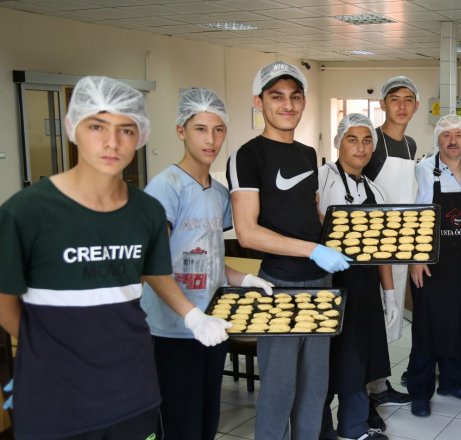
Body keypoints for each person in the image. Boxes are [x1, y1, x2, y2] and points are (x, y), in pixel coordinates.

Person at [0, 76, 229, 439]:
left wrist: (193, 316)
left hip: (131, 391)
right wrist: (52, 354)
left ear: (141, 136)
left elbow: (155, 276)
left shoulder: (146, 212)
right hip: (57, 397)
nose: (112, 142)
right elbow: (5, 304)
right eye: (97, 126)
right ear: (73, 127)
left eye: (126, 129)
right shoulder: (26, 213)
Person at [226, 61, 351, 440]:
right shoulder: (247, 156)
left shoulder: (307, 153)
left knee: (314, 391)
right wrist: (313, 249)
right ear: (258, 101)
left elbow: (310, 211)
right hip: (277, 288)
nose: (287, 105)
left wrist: (335, 242)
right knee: (278, 394)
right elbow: (247, 233)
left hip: (320, 284)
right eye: (276, 96)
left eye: (295, 97)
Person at [140, 88, 274, 440]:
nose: (210, 139)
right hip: (171, 331)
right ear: (181, 131)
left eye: (218, 130)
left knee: (205, 422)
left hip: (212, 325)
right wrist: (191, 316)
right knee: (178, 424)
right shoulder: (165, 188)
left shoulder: (218, 194)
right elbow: (151, 266)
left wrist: (243, 279)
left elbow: (208, 257)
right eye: (200, 129)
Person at [318, 114, 394, 440]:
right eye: (352, 139)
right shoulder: (321, 179)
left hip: (364, 288)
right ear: (339, 142)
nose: (360, 148)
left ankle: (354, 427)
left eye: (367, 140)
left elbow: (385, 247)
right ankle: (319, 430)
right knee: (324, 364)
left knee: (358, 360)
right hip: (328, 286)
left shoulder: (375, 189)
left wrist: (389, 293)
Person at [407, 114, 461, 417]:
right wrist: (416, 258)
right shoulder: (423, 171)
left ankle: (452, 382)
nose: (453, 141)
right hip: (432, 261)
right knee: (428, 325)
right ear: (437, 139)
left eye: (459, 135)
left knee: (459, 321)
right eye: (447, 135)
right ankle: (420, 390)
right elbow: (414, 216)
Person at [364, 76, 416, 410]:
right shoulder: (371, 143)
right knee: (373, 316)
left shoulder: (410, 145)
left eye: (408, 99)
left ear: (416, 106)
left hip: (402, 243)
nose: (401, 105)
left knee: (391, 316)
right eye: (394, 99)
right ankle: (365, 388)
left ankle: (380, 384)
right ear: (382, 104)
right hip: (374, 244)